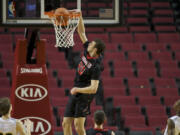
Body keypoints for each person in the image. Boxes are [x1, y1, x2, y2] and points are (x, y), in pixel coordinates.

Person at [62, 12, 105, 135]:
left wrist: (77, 90)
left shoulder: (96, 66)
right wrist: (79, 16)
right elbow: (81, 32)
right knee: (65, 123)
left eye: (92, 44)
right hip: (77, 88)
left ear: (95, 49)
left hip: (85, 94)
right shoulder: (88, 50)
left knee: (78, 125)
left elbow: (93, 89)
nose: (89, 43)